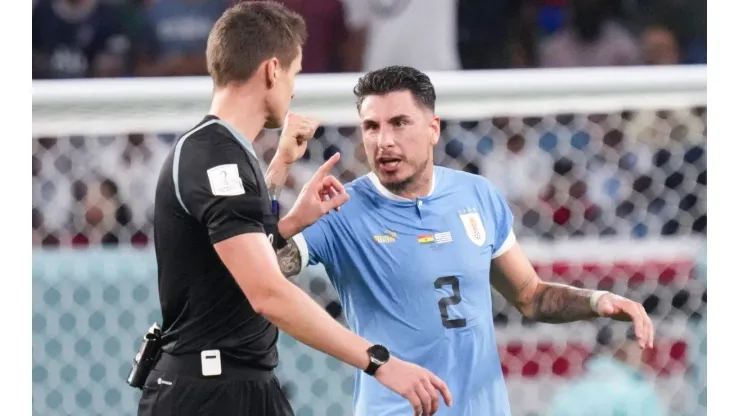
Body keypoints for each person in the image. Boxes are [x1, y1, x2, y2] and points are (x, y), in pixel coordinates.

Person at [276, 65, 656, 416]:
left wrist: (595, 300)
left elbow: (531, 296)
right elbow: (259, 269)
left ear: (433, 128)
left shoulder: (477, 195)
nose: (384, 141)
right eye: (371, 126)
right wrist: (280, 187)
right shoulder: (341, 208)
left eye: (399, 123)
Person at [139, 3, 451, 416]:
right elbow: (267, 292)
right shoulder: (215, 157)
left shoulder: (224, 151)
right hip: (208, 393)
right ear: (272, 70)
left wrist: (288, 211)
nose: (294, 88)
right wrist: (380, 362)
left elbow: (226, 261)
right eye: (294, 73)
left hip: (240, 383)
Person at [548, 326, 667, 416]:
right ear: (621, 346)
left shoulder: (573, 389)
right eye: (642, 343)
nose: (646, 350)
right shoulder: (637, 391)